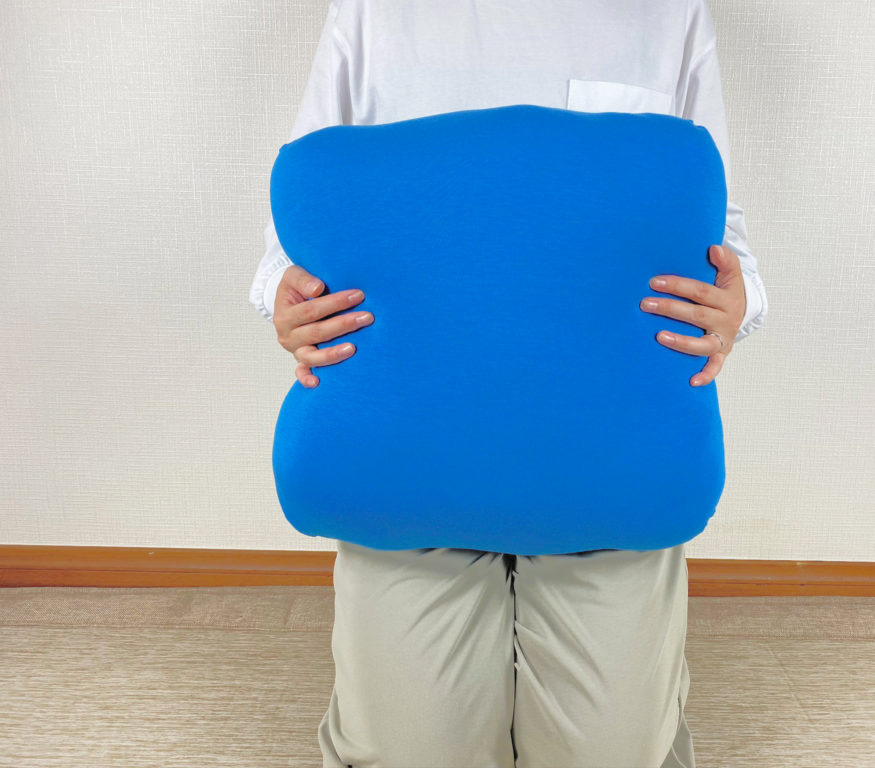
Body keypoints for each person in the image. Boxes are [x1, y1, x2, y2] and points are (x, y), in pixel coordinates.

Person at [250, 1, 767, 766]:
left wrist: (738, 302)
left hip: (602, 464)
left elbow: (716, 231)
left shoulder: (667, 14)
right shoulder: (374, 12)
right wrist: (283, 297)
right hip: (409, 463)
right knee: (415, 751)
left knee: (608, 754)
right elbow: (298, 224)